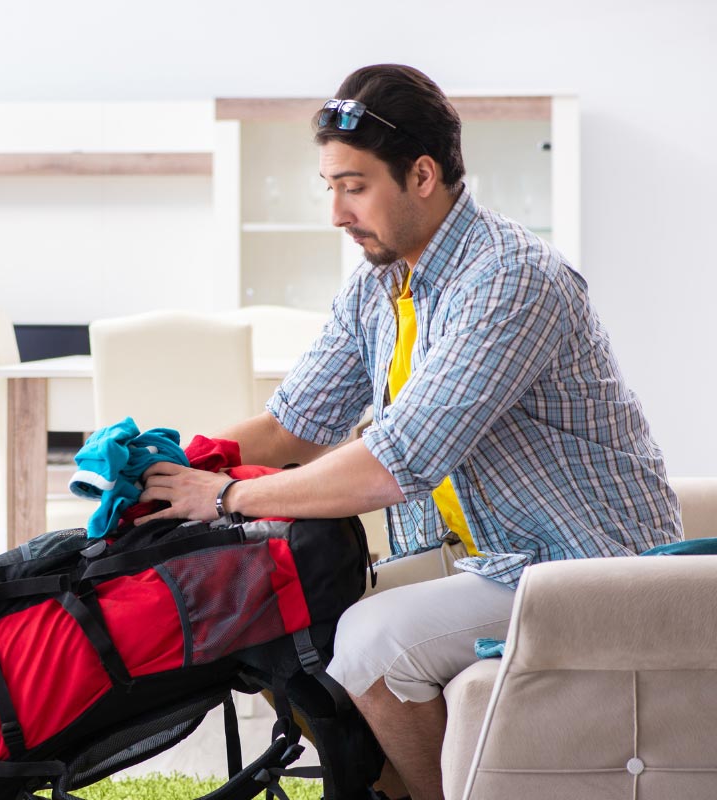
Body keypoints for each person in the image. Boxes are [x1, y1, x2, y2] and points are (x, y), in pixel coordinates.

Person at [137, 64, 681, 800]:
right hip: (486, 560)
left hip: (583, 569)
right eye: (328, 186)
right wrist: (174, 464)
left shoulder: (510, 281)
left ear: (423, 175)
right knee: (277, 607)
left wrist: (228, 496)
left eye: (353, 186)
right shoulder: (380, 283)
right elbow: (293, 425)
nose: (335, 212)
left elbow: (395, 466)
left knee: (372, 640)